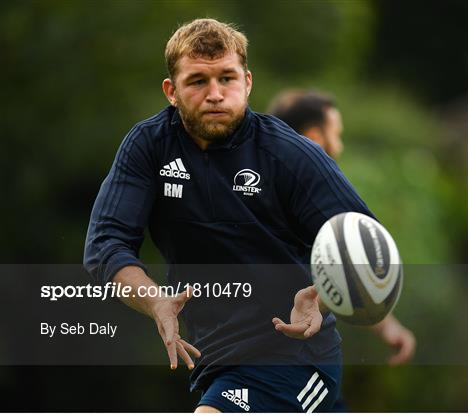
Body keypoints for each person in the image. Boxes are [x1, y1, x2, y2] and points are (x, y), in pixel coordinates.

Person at [84, 19, 377, 413]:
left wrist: (322, 299)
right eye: (198, 81)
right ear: (171, 91)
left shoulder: (288, 154)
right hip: (216, 360)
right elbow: (105, 245)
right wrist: (156, 301)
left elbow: (366, 243)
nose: (216, 94)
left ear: (248, 82)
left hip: (295, 358)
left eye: (227, 78)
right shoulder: (148, 148)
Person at [268, 89, 416, 366]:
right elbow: (350, 268)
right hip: (289, 359)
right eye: (336, 134)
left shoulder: (260, 182)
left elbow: (342, 273)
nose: (340, 146)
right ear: (314, 138)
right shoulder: (303, 204)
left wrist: (385, 324)